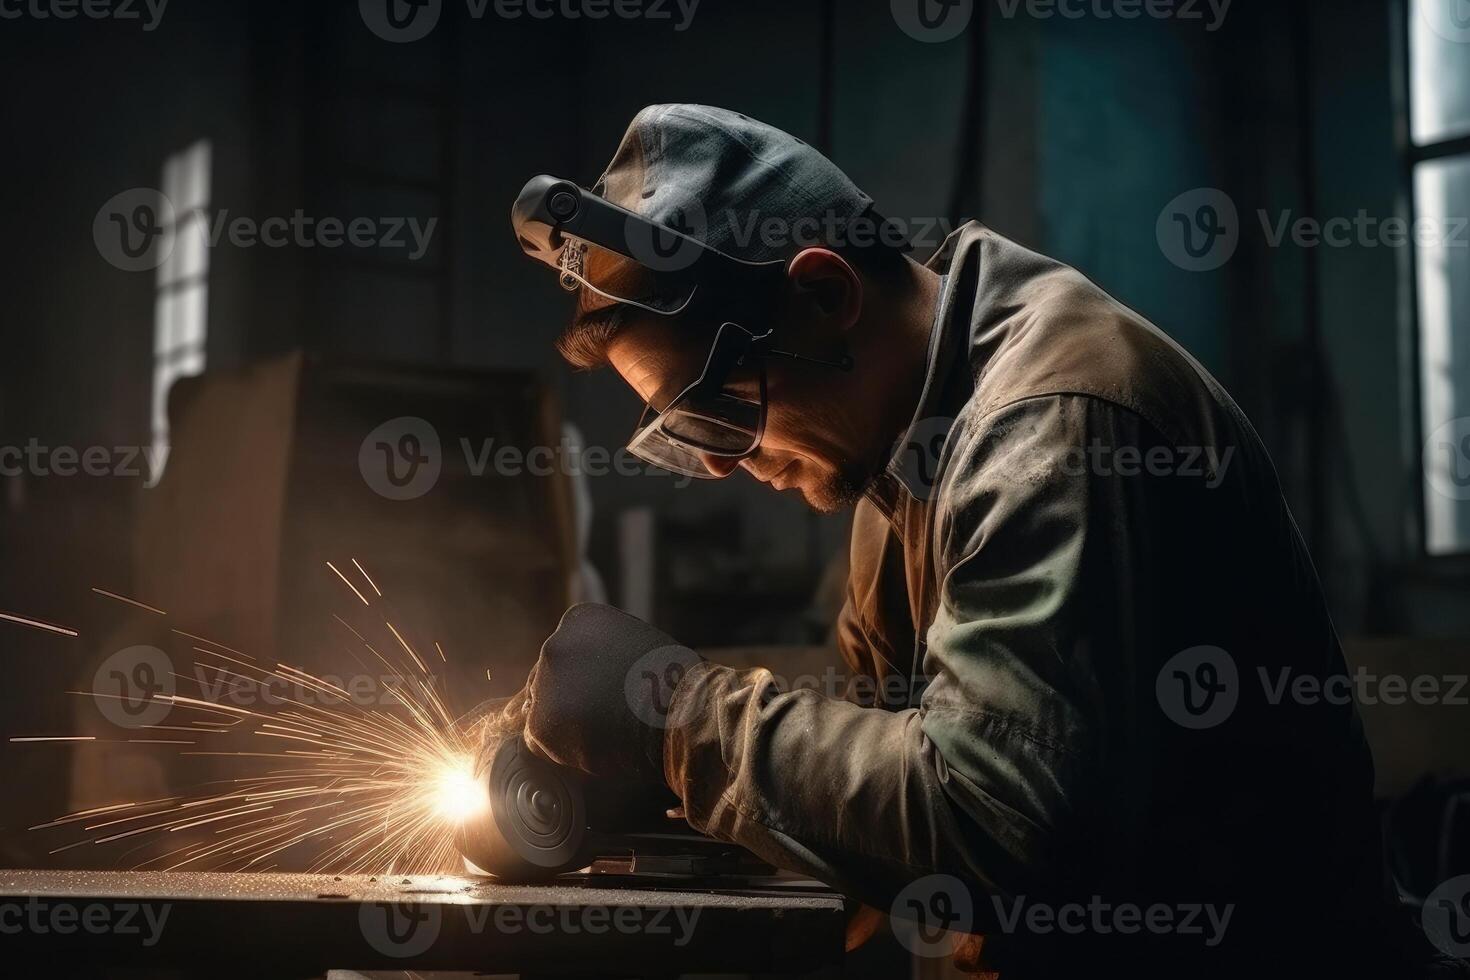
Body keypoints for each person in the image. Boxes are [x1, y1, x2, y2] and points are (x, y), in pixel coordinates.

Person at [501, 104, 1456, 978]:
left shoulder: (1049, 426)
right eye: (682, 434)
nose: (715, 466)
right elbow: (887, 828)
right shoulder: (897, 459)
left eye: (717, 413)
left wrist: (676, 716)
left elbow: (1002, 818)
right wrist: (654, 803)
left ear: (827, 296)